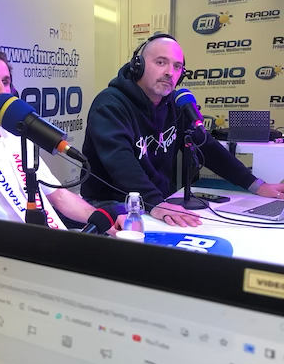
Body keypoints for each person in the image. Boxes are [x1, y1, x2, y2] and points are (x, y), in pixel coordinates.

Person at [80, 33, 284, 227]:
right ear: (138, 65)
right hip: (108, 205)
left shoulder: (175, 105)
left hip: (155, 202)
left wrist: (257, 185)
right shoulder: (110, 105)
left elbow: (206, 147)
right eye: (161, 62)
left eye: (177, 66)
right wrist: (154, 202)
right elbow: (120, 161)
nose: (170, 72)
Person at [0, 48, 124, 231]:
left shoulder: (17, 136)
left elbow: (59, 196)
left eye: (5, 82)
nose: (2, 91)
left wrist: (108, 222)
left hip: (44, 243)